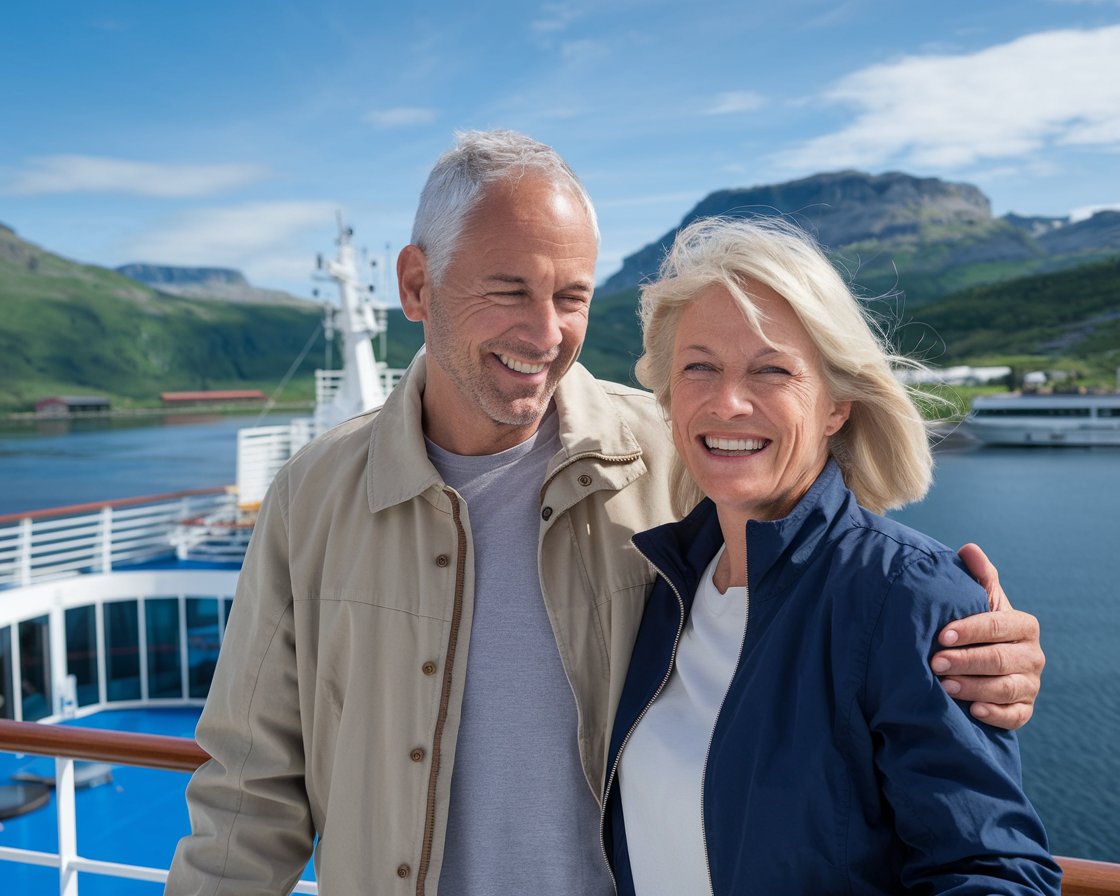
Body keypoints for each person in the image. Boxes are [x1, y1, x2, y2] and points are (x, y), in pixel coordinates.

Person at [165, 131, 1046, 895]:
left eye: (573, 296)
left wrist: (971, 640)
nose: (545, 332)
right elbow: (251, 789)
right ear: (417, 285)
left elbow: (828, 554)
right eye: (507, 290)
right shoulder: (314, 494)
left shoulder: (674, 454)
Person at [601, 216, 1061, 895]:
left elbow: (994, 873)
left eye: (771, 370)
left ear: (836, 407)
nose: (728, 401)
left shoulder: (911, 597)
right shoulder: (663, 587)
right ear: (669, 399)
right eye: (699, 366)